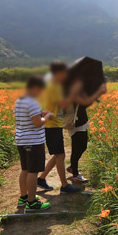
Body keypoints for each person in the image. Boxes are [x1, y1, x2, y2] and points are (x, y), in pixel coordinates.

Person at [37, 61, 81, 193]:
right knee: (60, 155)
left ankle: (42, 178)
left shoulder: (53, 85)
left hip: (53, 124)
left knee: (58, 155)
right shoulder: (54, 86)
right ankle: (64, 186)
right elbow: (63, 104)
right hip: (52, 124)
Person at [14, 75, 53, 211]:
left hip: (21, 140)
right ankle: (32, 203)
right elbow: (37, 123)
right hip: (33, 141)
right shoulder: (32, 102)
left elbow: (27, 117)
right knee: (33, 171)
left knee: (25, 169)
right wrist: (47, 117)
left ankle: (24, 197)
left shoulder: (20, 100)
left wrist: (41, 113)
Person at [64, 81, 107, 183]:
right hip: (76, 123)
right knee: (78, 147)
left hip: (80, 122)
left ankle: (72, 167)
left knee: (81, 146)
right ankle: (75, 173)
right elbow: (83, 104)